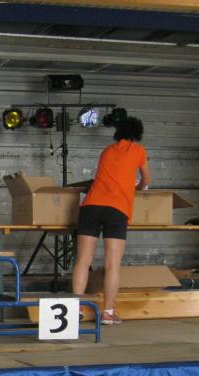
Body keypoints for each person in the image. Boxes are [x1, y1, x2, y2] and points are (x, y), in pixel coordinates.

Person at [71, 116, 151, 325]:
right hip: (117, 209)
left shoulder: (107, 151)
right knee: (112, 264)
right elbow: (146, 179)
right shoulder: (139, 151)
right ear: (138, 133)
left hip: (91, 207)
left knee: (83, 260)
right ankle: (107, 312)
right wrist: (139, 185)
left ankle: (76, 309)